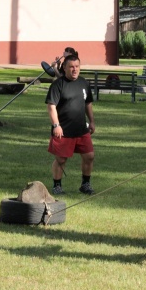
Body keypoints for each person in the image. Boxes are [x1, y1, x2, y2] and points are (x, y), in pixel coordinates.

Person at [46, 55, 96, 195]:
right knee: (61, 159)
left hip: (81, 129)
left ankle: (85, 185)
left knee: (89, 156)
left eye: (77, 66)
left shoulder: (83, 83)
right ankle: (57, 186)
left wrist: (92, 121)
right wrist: (56, 125)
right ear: (64, 68)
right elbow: (51, 106)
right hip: (63, 130)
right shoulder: (58, 84)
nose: (75, 69)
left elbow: (88, 103)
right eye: (71, 67)